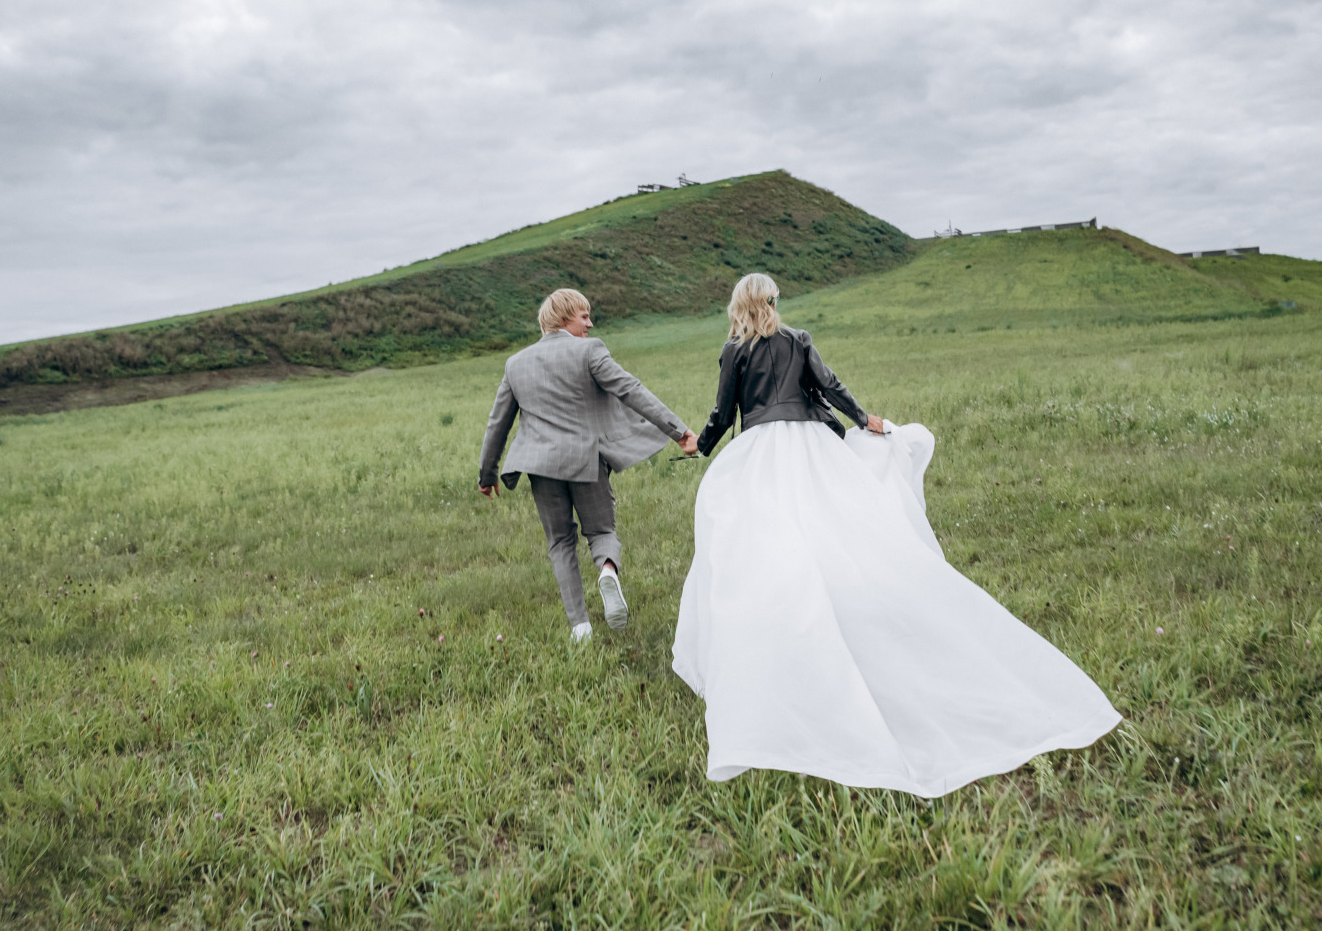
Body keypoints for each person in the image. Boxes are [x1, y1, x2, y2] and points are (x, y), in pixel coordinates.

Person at [671, 273, 1122, 797]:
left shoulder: (734, 351)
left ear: (738, 306)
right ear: (773, 301)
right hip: (813, 447)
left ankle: (778, 648)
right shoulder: (798, 340)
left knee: (758, 547)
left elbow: (725, 413)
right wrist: (865, 419)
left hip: (759, 457)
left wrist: (700, 447)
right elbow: (830, 386)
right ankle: (840, 616)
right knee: (839, 535)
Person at [478, 288, 697, 642]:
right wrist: (678, 430)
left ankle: (580, 627)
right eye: (585, 316)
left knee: (560, 542)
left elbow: (497, 423)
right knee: (600, 532)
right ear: (565, 317)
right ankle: (607, 571)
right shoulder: (589, 350)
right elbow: (631, 389)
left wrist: (487, 474)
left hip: (541, 466)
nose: (590, 323)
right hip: (586, 460)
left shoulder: (515, 364)